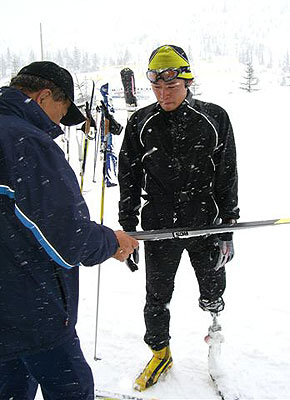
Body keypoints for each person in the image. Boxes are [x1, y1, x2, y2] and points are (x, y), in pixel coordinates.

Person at [0, 61, 138, 399]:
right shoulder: (26, 141)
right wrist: (111, 241)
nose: (61, 124)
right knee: (71, 387)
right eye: (63, 110)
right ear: (45, 96)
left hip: (8, 314)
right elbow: (67, 237)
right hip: (32, 310)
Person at [118, 45, 239, 391]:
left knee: (213, 292)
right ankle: (159, 352)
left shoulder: (214, 117)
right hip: (159, 227)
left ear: (187, 81)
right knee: (157, 296)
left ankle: (215, 348)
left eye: (170, 86)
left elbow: (227, 174)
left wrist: (227, 228)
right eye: (156, 87)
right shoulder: (141, 122)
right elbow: (128, 176)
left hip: (205, 223)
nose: (163, 94)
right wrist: (128, 230)